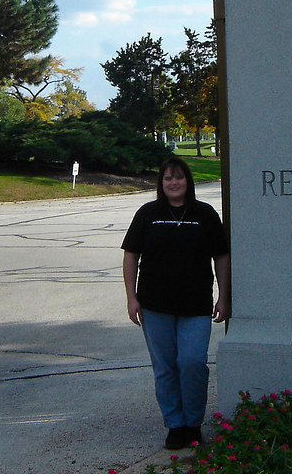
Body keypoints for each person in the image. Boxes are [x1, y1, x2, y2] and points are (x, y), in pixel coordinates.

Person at [121, 156, 231, 451]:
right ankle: (175, 425)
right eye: (168, 178)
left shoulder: (205, 214)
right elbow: (130, 254)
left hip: (195, 306)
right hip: (155, 306)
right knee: (166, 367)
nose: (173, 183)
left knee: (193, 363)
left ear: (188, 181)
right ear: (161, 183)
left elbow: (221, 255)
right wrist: (131, 297)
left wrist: (224, 295)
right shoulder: (148, 214)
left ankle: (193, 423)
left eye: (179, 177)